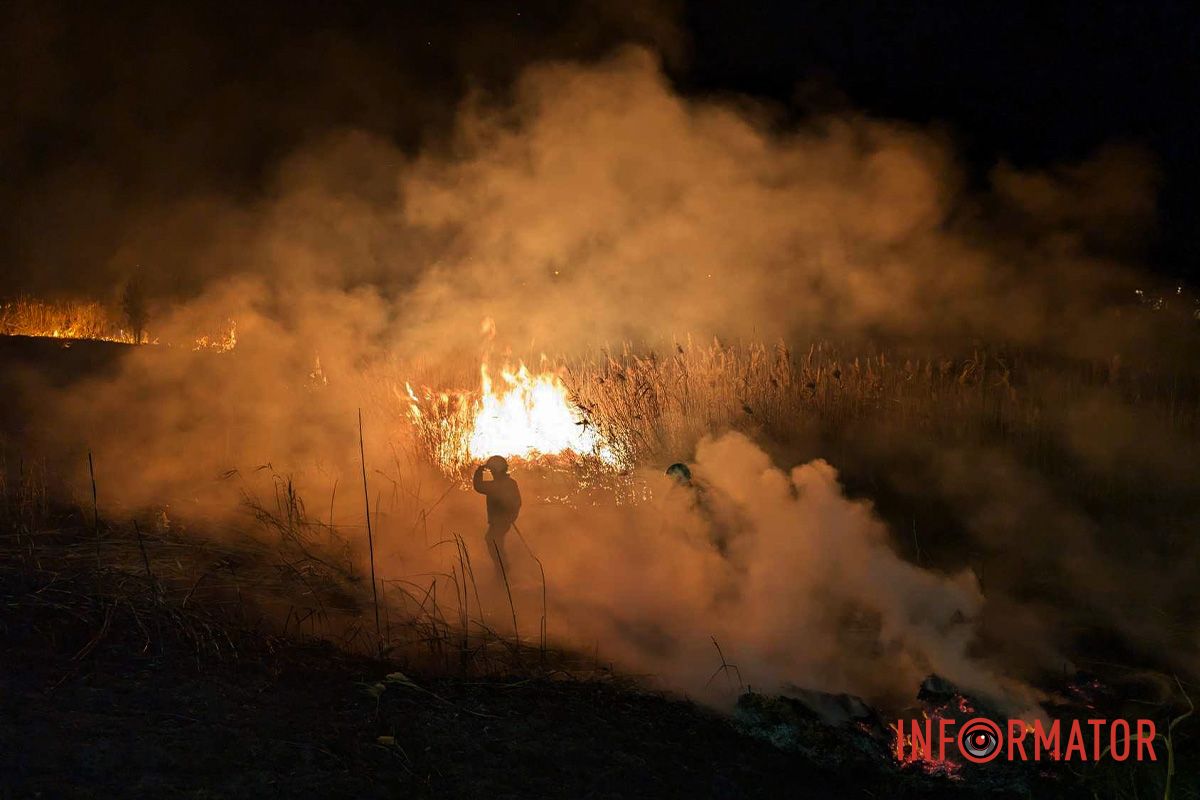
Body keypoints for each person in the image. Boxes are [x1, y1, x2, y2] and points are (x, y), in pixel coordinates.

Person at [473, 455, 522, 578]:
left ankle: (502, 568)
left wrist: (479, 472)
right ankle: (501, 568)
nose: (492, 473)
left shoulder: (496, 485)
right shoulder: (509, 483)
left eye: (492, 470)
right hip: (502, 521)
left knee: (492, 541)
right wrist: (512, 516)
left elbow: (478, 486)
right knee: (494, 542)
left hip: (500, 522)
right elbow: (517, 502)